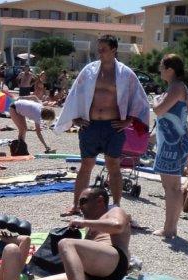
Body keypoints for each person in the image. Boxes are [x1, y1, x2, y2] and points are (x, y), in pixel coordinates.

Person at [54, 35, 150, 214]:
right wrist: (75, 118)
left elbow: (139, 99)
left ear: (114, 49)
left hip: (113, 126)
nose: (100, 52)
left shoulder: (125, 74)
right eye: (98, 49)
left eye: (103, 49)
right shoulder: (89, 71)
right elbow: (75, 94)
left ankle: (116, 206)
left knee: (113, 166)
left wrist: (128, 120)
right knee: (86, 165)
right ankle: (76, 205)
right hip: (90, 125)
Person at [22, 187, 131, 280]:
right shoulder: (92, 225)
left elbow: (117, 226)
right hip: (94, 278)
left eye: (83, 201)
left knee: (66, 243)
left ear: (100, 201)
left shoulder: (114, 211)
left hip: (115, 263)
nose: (80, 207)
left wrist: (84, 223)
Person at [152, 54, 188, 239]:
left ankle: (168, 229)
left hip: (172, 144)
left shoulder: (176, 87)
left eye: (162, 67)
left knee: (171, 188)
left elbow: (158, 109)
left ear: (170, 69)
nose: (160, 70)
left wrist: (156, 99)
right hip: (179, 141)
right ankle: (171, 228)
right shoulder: (180, 87)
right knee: (174, 187)